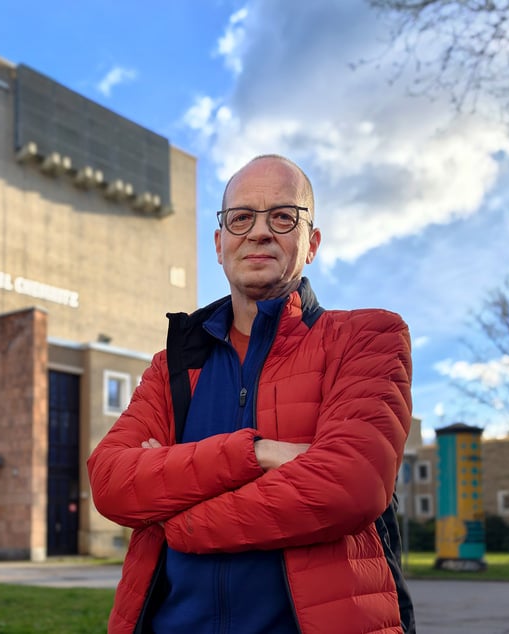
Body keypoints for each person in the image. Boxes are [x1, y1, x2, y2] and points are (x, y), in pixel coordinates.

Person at [87, 154, 414, 633]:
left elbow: (351, 484)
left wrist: (176, 519)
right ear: (220, 245)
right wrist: (259, 453)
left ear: (312, 243)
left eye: (283, 217)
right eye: (241, 218)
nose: (259, 232)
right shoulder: (172, 365)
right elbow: (112, 483)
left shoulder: (366, 338)